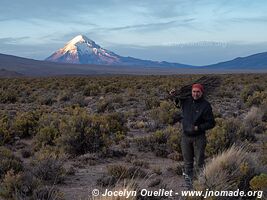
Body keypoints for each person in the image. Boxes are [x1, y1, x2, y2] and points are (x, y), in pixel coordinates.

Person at [169, 83, 215, 190]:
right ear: (191, 92)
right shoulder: (186, 101)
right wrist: (173, 95)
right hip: (185, 137)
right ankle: (189, 186)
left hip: (199, 138)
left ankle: (200, 184)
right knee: (187, 163)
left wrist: (198, 128)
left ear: (202, 93)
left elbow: (211, 123)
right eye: (194, 91)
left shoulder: (206, 105)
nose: (195, 94)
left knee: (199, 162)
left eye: (198, 92)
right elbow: (176, 102)